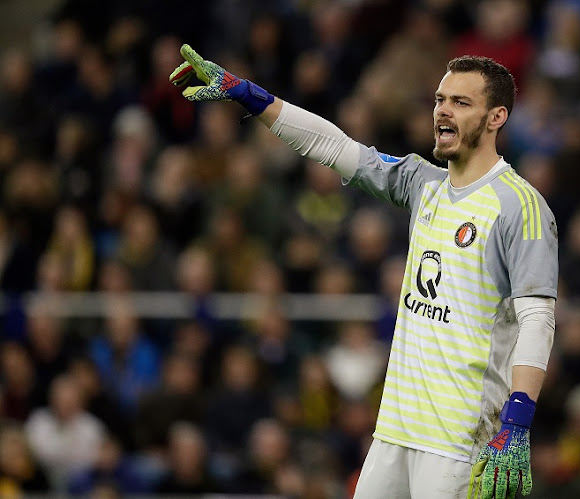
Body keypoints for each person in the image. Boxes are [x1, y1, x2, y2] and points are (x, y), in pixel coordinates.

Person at [170, 44, 558, 499]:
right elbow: (333, 145)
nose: (443, 111)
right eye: (439, 99)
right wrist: (249, 95)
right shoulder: (423, 183)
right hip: (394, 431)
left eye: (460, 102)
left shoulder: (521, 206)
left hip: (459, 440)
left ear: (496, 118)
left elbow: (538, 320)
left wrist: (517, 422)